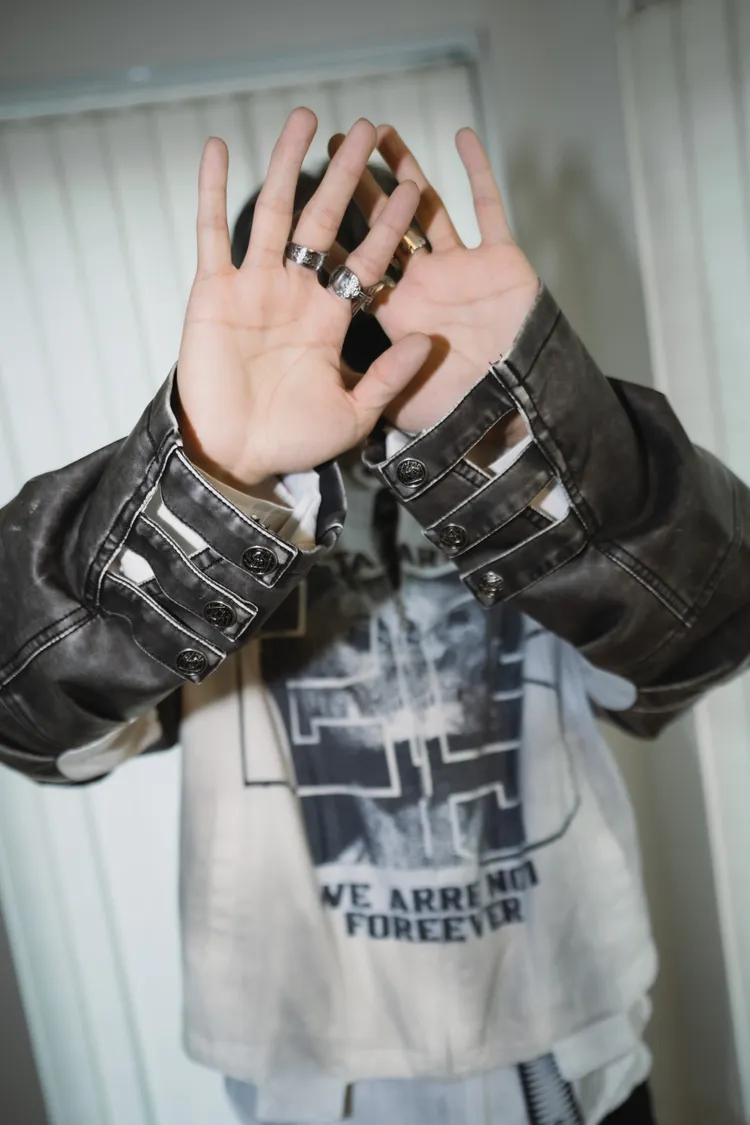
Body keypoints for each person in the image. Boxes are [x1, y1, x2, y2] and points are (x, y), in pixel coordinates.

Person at [1, 106, 748, 1125]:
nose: (351, 324)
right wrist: (209, 479)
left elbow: (709, 620)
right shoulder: (208, 521)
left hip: (565, 1050)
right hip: (317, 1075)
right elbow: (33, 714)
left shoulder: (525, 483)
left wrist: (530, 434)